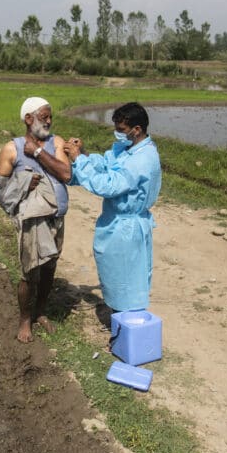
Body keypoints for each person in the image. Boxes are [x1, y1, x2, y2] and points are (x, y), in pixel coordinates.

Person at [62, 102, 161, 319]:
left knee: (127, 278)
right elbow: (108, 163)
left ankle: (127, 322)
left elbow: (108, 185)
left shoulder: (142, 160)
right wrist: (85, 154)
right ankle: (119, 314)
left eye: (121, 130)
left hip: (126, 228)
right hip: (117, 223)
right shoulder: (128, 150)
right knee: (115, 274)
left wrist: (78, 159)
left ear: (136, 129)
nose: (117, 134)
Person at [0, 97, 72, 343]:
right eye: (44, 116)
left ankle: (40, 312)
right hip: (32, 222)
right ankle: (25, 320)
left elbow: (65, 174)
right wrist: (24, 182)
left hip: (56, 218)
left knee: (50, 268)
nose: (49, 121)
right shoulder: (12, 148)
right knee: (30, 273)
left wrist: (37, 153)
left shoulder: (56, 142)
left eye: (50, 117)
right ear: (29, 119)